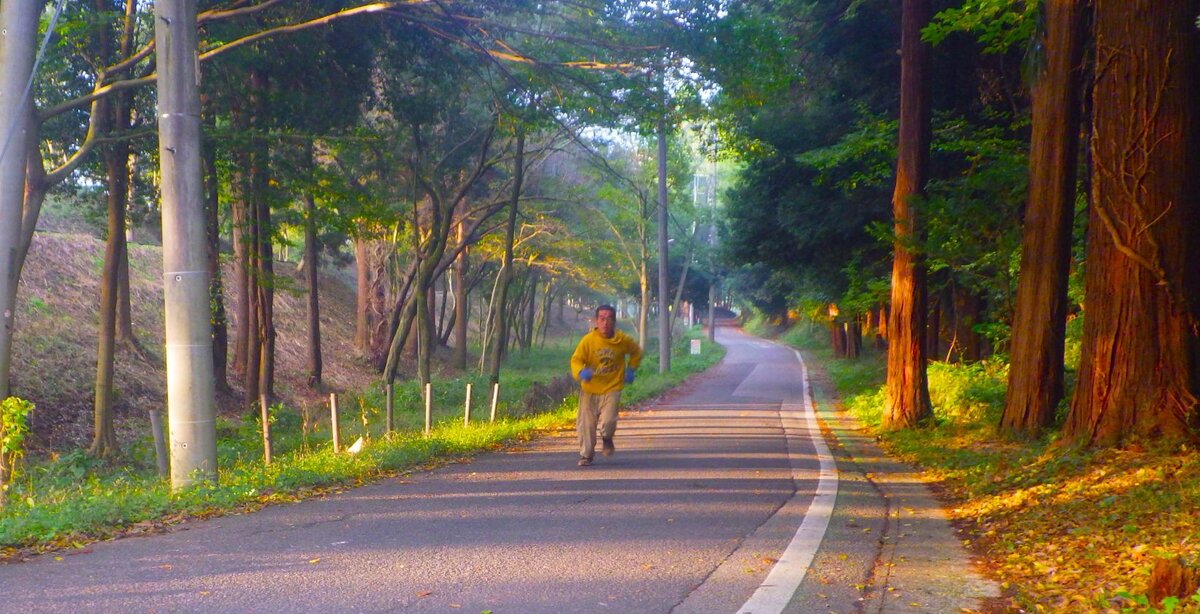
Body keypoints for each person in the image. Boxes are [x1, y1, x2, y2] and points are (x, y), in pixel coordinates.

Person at [570, 304, 642, 467]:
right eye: (602, 319)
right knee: (586, 424)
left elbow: (636, 352)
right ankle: (586, 455)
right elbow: (576, 359)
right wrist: (581, 371)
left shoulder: (622, 340)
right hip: (590, 388)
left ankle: (607, 438)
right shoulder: (588, 341)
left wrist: (631, 368)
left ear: (614, 321)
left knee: (608, 421)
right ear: (596, 321)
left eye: (609, 318)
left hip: (612, 387)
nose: (605, 322)